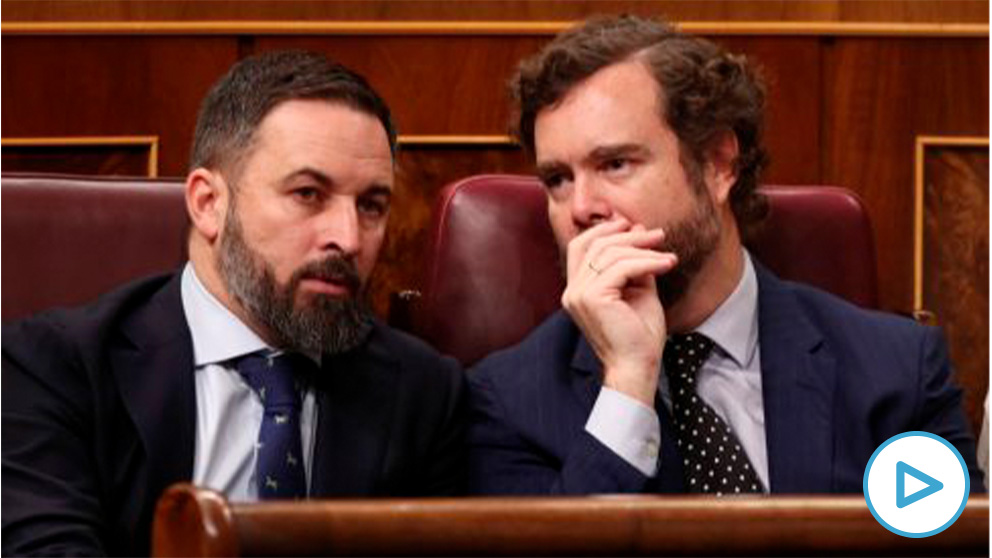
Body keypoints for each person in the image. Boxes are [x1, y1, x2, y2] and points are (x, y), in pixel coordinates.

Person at [467, 15, 982, 495]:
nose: (580, 208)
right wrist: (627, 381)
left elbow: (943, 543)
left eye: (616, 163)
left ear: (717, 163)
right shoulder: (508, 401)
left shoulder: (897, 372)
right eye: (557, 179)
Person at [2, 50, 466, 556]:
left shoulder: (424, 394)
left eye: (371, 205)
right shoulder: (53, 369)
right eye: (308, 194)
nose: (349, 239)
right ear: (208, 204)